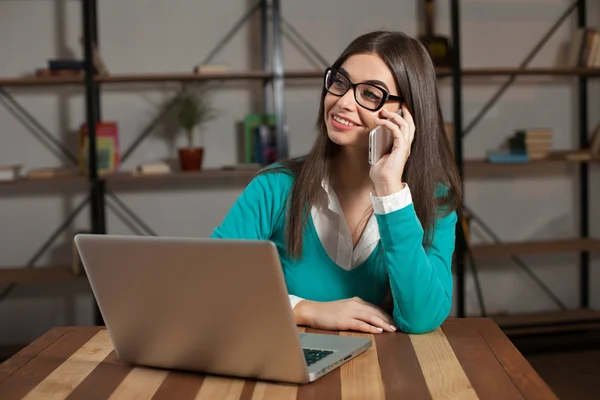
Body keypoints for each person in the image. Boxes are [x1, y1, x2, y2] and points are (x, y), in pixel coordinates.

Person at [210, 30, 461, 335]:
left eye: (370, 94)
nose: (342, 102)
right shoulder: (275, 188)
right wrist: (305, 310)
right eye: (340, 83)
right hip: (291, 370)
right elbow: (214, 285)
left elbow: (421, 318)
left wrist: (390, 191)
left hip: (390, 374)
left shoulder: (435, 203)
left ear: (406, 114)